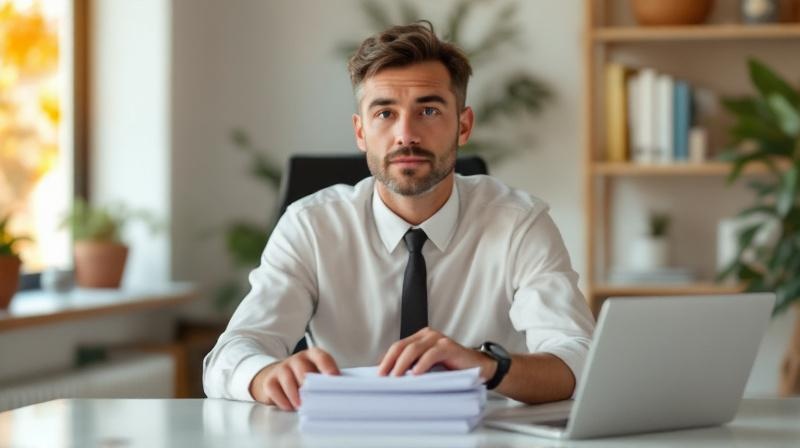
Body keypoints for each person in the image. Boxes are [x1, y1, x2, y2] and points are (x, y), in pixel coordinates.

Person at [203, 21, 594, 412]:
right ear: (360, 132)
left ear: (463, 125)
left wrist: (487, 366)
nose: (406, 134)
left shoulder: (520, 223)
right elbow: (229, 356)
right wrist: (265, 375)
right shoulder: (310, 226)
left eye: (428, 110)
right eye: (385, 113)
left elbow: (577, 357)